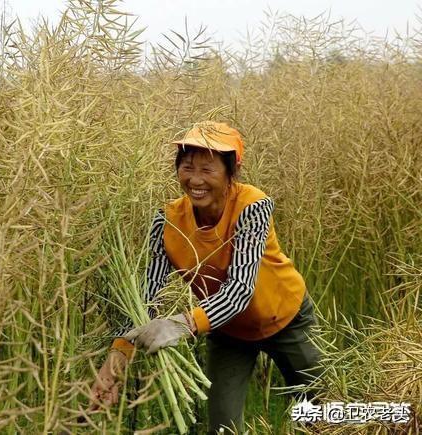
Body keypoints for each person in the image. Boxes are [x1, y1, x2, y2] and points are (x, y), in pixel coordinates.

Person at [88, 120, 324, 434]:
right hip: (228, 331)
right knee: (222, 428)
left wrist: (180, 325)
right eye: (187, 167)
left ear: (231, 172)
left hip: (285, 318)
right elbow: (149, 295)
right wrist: (116, 360)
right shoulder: (167, 219)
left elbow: (239, 291)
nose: (195, 180)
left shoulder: (253, 206)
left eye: (208, 170)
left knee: (323, 410)